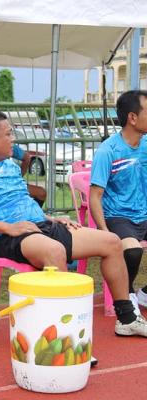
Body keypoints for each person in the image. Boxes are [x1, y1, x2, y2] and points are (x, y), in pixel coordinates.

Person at [0, 110, 147, 339]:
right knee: (55, 251)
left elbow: (21, 203)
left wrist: (50, 219)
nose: (13, 139)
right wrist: (8, 228)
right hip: (7, 236)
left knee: (112, 242)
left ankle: (127, 319)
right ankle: (65, 334)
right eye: (9, 134)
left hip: (39, 227)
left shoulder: (10, 166)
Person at [90, 90, 147, 316]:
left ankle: (144, 294)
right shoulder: (108, 151)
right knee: (132, 251)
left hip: (144, 213)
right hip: (118, 216)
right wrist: (105, 233)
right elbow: (95, 196)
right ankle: (128, 296)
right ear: (133, 117)